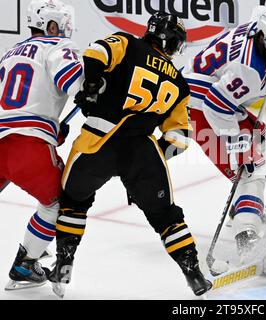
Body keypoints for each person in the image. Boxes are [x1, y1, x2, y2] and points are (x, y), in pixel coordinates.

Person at [46, 11, 212, 298]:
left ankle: (64, 263)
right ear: (169, 40)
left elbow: (95, 52)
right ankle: (193, 273)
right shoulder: (180, 84)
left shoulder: (127, 43)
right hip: (143, 152)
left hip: (98, 140)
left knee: (74, 201)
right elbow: (180, 137)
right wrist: (153, 161)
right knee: (167, 217)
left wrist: (92, 84)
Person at [182, 6, 266, 264]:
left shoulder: (257, 26)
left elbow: (260, 11)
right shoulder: (249, 71)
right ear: (263, 37)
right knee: (250, 168)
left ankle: (244, 207)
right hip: (200, 109)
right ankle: (246, 237)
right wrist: (235, 144)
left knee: (259, 148)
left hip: (211, 97)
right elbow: (215, 105)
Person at [0, 0, 81, 290]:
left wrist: (53, 129)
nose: (68, 30)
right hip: (27, 145)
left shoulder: (9, 52)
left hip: (6, 137)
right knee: (60, 206)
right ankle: (26, 263)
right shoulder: (57, 47)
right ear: (51, 24)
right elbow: (76, 83)